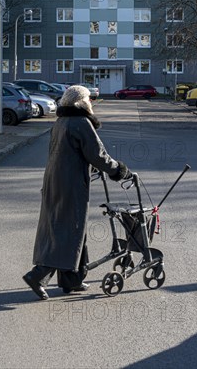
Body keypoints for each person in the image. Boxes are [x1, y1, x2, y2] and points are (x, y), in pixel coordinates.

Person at [23, 85, 132, 300]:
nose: (91, 102)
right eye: (88, 99)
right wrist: (118, 170)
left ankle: (72, 280)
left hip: (54, 181)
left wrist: (89, 168)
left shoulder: (61, 122)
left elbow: (68, 153)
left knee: (73, 229)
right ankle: (38, 275)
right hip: (70, 185)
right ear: (80, 102)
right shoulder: (81, 123)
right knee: (67, 229)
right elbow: (97, 154)